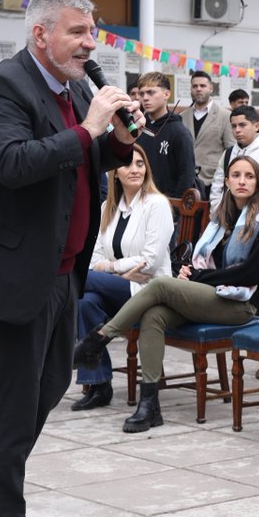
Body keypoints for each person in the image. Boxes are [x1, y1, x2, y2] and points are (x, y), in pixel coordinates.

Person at [0, 0, 145, 517]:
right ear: (41, 36)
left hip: (61, 273)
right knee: (10, 407)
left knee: (50, 385)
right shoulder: (5, 87)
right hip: (9, 275)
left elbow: (82, 157)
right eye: (79, 32)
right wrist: (89, 130)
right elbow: (14, 163)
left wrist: (116, 140)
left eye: (93, 31)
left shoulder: (76, 86)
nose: (91, 43)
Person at [74, 155, 259, 433]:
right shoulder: (221, 217)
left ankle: (98, 339)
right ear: (227, 181)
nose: (242, 181)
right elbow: (198, 261)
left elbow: (249, 274)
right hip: (209, 295)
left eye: (249, 176)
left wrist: (196, 277)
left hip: (240, 306)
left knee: (160, 285)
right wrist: (188, 272)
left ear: (258, 182)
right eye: (236, 175)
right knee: (153, 315)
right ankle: (150, 405)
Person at [71, 145, 174, 409]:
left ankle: (54, 304)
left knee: (77, 279)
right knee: (86, 302)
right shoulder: (109, 207)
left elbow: (149, 263)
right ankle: (99, 385)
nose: (135, 169)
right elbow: (94, 259)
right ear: (115, 173)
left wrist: (112, 267)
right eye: (128, 164)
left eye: (140, 164)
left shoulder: (157, 204)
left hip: (150, 292)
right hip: (122, 289)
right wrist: (120, 271)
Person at [209, 105, 259, 214]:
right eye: (233, 126)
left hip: (257, 221)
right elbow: (217, 187)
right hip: (227, 219)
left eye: (242, 125)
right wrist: (218, 214)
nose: (237, 130)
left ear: (256, 126)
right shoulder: (228, 153)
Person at [133, 72, 197, 198]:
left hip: (168, 206)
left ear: (166, 94)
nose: (145, 98)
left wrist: (174, 210)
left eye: (151, 92)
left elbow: (186, 177)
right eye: (142, 94)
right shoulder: (138, 128)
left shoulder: (179, 132)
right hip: (138, 201)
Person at [188, 70, 234, 201]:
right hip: (188, 181)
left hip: (212, 182)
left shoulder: (225, 116)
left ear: (211, 88)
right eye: (195, 86)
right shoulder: (182, 116)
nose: (198, 89)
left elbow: (230, 150)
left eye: (202, 86)